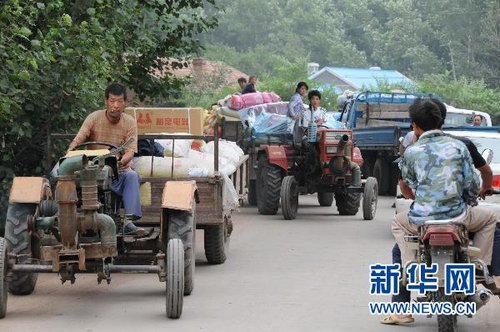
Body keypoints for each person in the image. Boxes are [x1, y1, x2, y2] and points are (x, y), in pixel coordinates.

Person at [385, 98, 500, 325]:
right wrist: (469, 199)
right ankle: (483, 267)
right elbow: (471, 183)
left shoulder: (411, 151)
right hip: (458, 217)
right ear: (441, 121)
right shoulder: (461, 146)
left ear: (415, 126)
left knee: (398, 224)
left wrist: (419, 199)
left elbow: (405, 186)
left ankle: (408, 272)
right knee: (492, 217)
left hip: (423, 220)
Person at [68, 83, 146, 236]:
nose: (115, 106)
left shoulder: (129, 122)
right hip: (91, 171)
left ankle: (129, 222)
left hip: (117, 171)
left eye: (119, 101)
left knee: (131, 175)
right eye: (112, 101)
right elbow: (78, 139)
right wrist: (71, 150)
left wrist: (124, 160)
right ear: (106, 101)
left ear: (124, 103)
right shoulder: (94, 117)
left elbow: (131, 150)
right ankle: (68, 218)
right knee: (66, 178)